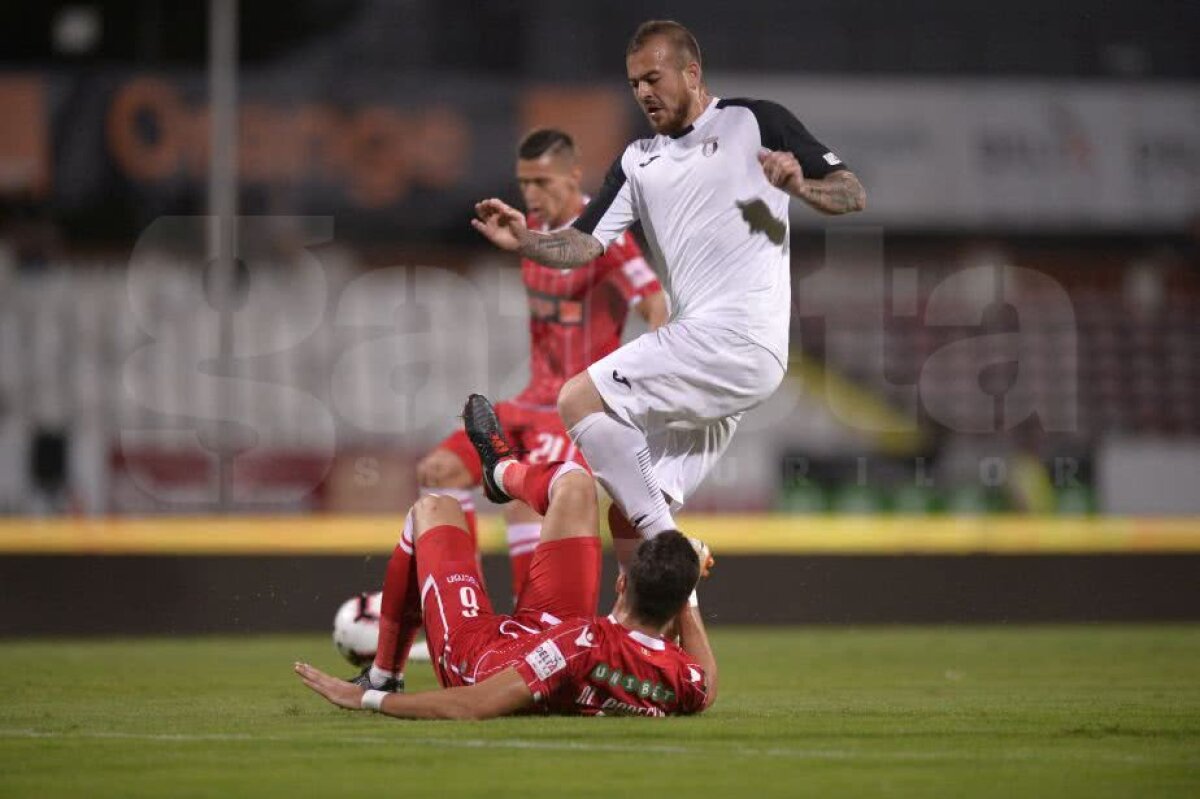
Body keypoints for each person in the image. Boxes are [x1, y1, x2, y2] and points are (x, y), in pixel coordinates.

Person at [471, 21, 866, 569]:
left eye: (653, 78)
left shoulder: (756, 121)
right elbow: (583, 245)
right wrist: (525, 240)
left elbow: (851, 193)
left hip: (736, 337)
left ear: (691, 72)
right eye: (634, 84)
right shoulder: (638, 161)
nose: (643, 93)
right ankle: (661, 645)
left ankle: (674, 548)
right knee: (629, 515)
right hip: (713, 353)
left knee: (577, 400)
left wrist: (801, 187)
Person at [294, 394, 716, 718]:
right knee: (575, 484)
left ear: (621, 583)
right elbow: (707, 682)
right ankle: (501, 472)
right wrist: (685, 580)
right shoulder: (682, 679)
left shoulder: (581, 645)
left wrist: (368, 698)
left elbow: (471, 705)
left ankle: (385, 673)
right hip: (548, 628)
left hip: (480, 656)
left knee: (433, 508)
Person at [419, 128, 667, 599]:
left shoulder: (603, 235)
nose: (533, 194)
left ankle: (530, 631)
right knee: (439, 471)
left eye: (543, 182)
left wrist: (649, 379)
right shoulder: (530, 231)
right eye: (525, 182)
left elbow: (656, 304)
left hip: (574, 409)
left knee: (524, 506)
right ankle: (459, 608)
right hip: (531, 400)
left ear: (574, 174)